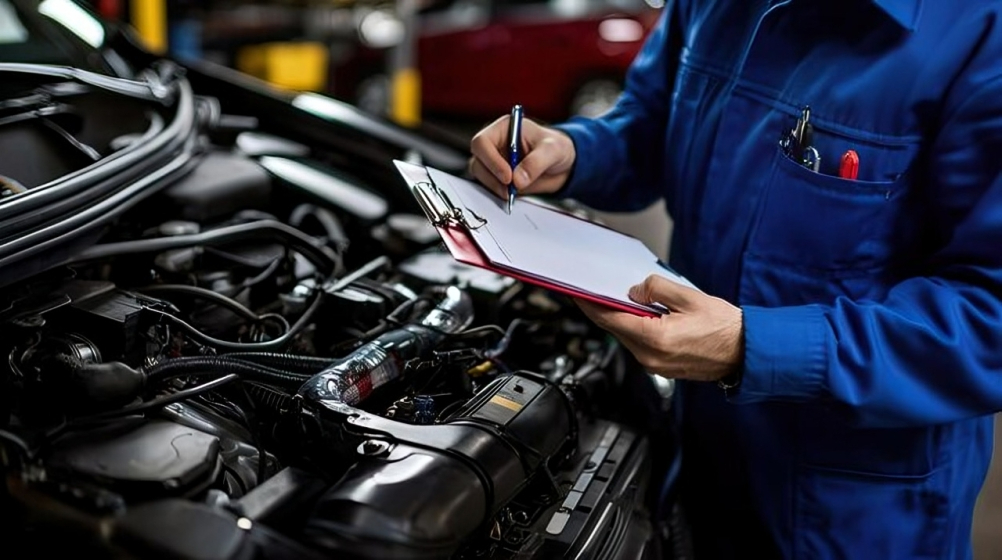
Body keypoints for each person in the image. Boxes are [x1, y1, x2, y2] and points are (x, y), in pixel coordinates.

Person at [468, 0, 1002, 558]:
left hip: (854, 511)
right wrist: (576, 152)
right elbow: (650, 124)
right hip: (696, 456)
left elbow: (990, 317)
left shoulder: (981, 35)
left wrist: (753, 347)